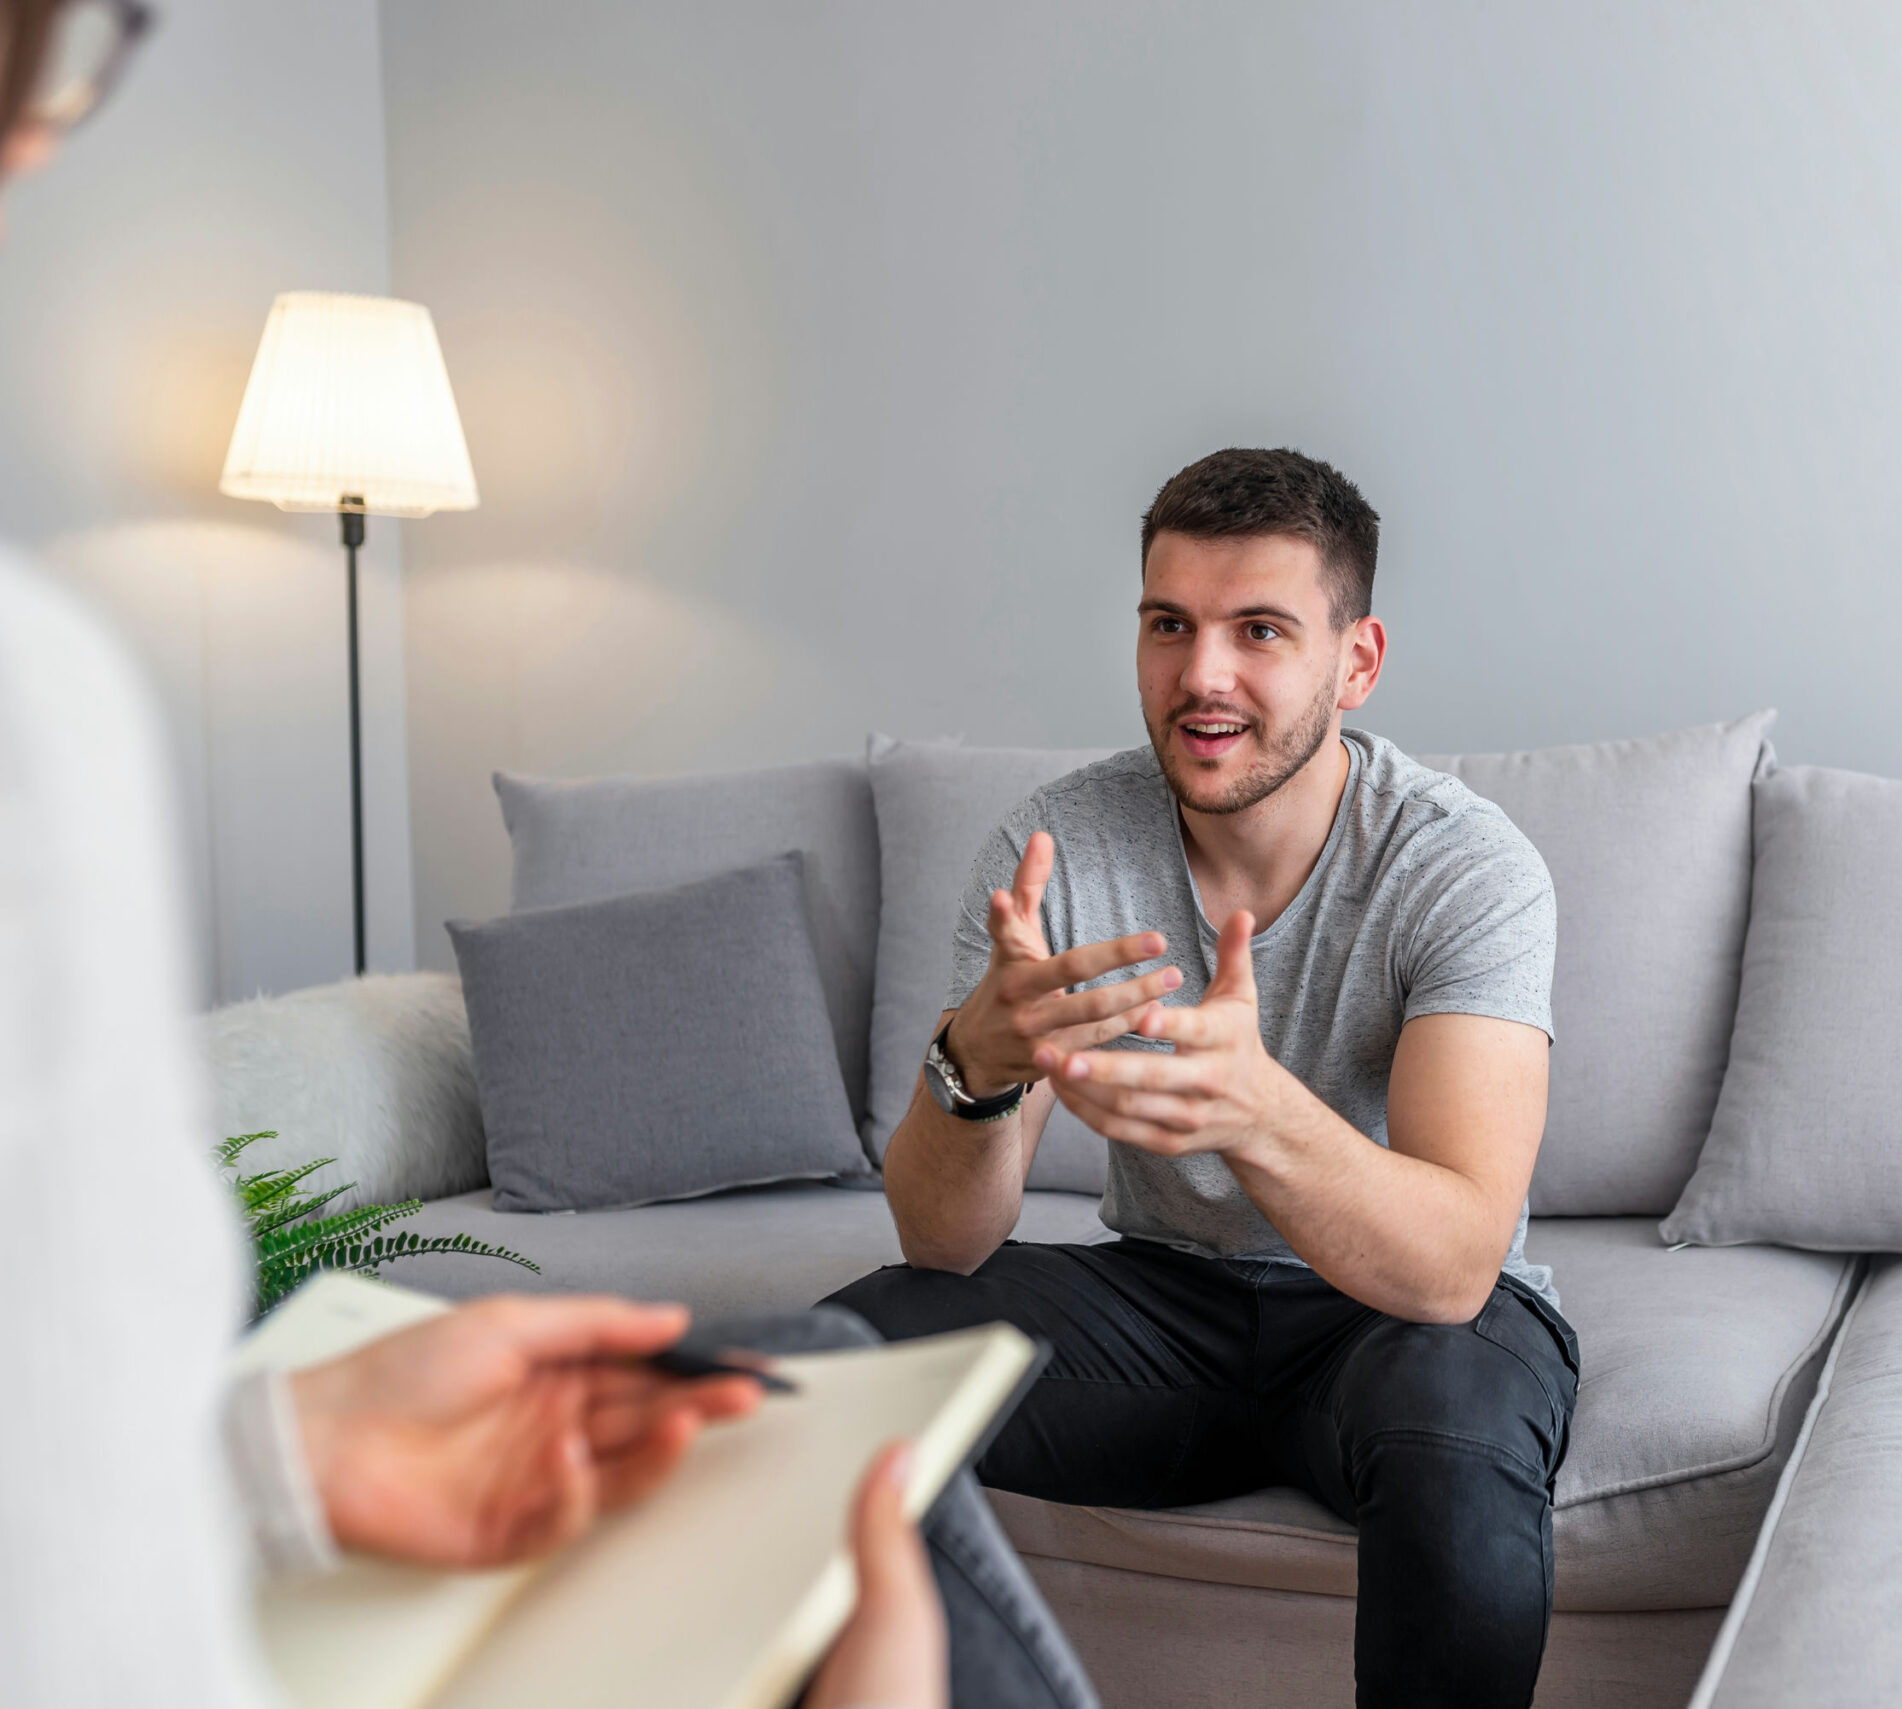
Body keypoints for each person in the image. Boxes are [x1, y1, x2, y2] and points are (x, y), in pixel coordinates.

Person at [0, 6, 1049, 1706]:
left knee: (808, 1366)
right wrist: (985, 1061)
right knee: (845, 1407)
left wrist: (271, 1451)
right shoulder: (34, 717)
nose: (48, 130)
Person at [829, 448, 1575, 1708]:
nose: (1201, 676)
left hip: (1404, 1321)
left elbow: (1453, 1258)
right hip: (1167, 1309)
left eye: (1260, 630)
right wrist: (977, 1064)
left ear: (1357, 660)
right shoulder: (1050, 850)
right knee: (837, 1364)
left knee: (1453, 1437)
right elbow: (944, 1244)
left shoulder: (1464, 866)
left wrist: (1258, 1107)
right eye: (1168, 624)